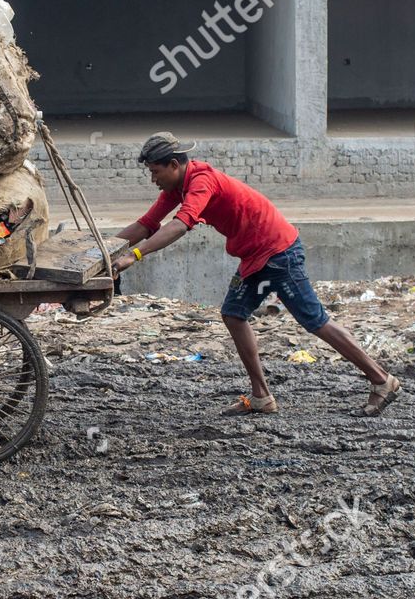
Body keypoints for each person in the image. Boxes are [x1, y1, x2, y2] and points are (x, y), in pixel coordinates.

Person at [112, 133, 400, 416]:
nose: (153, 179)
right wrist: (105, 250)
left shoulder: (202, 182)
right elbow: (147, 223)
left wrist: (135, 255)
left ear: (174, 165)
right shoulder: (178, 187)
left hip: (278, 253)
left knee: (315, 320)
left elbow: (179, 225)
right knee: (234, 314)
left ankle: (382, 380)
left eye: (155, 172)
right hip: (255, 256)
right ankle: (261, 396)